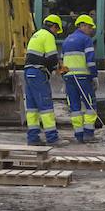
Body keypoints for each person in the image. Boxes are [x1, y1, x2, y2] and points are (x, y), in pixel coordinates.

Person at [24, 14, 63, 145]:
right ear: (54, 26)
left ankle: (33, 138)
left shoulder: (36, 34)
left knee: (32, 108)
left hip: (29, 72)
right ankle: (52, 138)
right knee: (46, 106)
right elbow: (52, 57)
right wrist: (56, 68)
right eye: (57, 30)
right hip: (38, 73)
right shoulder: (48, 36)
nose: (57, 33)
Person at [61, 14, 99, 143]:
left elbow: (62, 62)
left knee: (75, 107)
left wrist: (64, 77)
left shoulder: (66, 40)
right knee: (90, 104)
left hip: (69, 78)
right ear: (83, 25)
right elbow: (90, 61)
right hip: (82, 77)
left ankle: (78, 135)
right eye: (90, 27)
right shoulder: (86, 39)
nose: (91, 30)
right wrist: (94, 76)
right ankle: (88, 134)